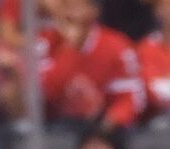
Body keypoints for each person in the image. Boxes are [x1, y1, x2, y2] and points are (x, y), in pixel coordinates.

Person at [38, 0, 144, 132]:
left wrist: (109, 124)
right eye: (66, 5)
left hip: (105, 126)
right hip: (57, 127)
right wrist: (70, 49)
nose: (70, 11)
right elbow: (45, 93)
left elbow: (130, 96)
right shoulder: (47, 42)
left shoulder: (116, 46)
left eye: (77, 5)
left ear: (94, 11)